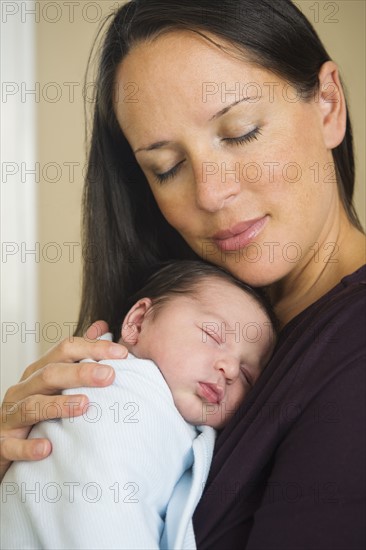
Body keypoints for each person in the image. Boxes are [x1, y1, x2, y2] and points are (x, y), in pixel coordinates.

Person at [1, 1, 365, 548]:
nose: (210, 193)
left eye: (240, 132)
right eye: (166, 168)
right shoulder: (156, 368)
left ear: (329, 104)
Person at [1, 260, 276, 550]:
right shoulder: (115, 394)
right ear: (138, 322)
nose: (231, 370)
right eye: (212, 335)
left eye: (247, 375)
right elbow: (98, 509)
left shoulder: (172, 416)